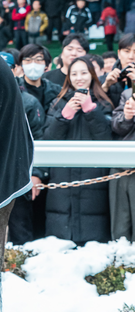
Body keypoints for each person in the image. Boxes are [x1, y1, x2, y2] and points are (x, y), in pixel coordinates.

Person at [43, 57, 114, 245]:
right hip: (61, 176)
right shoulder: (58, 103)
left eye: (83, 72)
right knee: (60, 231)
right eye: (74, 73)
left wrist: (91, 110)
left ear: (92, 74)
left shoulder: (105, 103)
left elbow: (107, 140)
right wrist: (63, 116)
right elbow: (48, 140)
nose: (79, 77)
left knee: (94, 231)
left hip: (94, 176)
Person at [0, 52, 46, 245]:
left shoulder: (28, 102)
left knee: (20, 229)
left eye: (7, 68)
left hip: (19, 175)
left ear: (16, 69)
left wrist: (36, 174)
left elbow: (39, 139)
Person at [110, 84, 135, 241]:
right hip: (123, 164)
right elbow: (115, 126)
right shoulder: (128, 94)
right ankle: (121, 262)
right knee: (120, 226)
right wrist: (126, 116)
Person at [17, 44, 62, 113]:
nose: (33, 64)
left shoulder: (56, 91)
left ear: (46, 66)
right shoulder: (15, 89)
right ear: (21, 65)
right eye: (28, 60)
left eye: (38, 60)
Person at [101, 34, 135, 108]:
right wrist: (106, 86)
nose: (131, 56)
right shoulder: (104, 79)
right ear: (119, 53)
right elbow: (95, 107)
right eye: (127, 51)